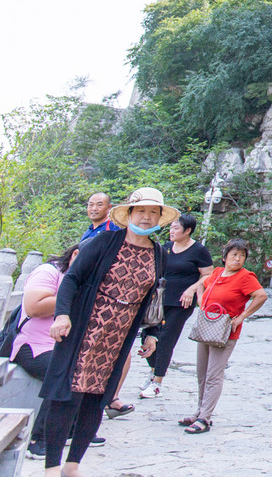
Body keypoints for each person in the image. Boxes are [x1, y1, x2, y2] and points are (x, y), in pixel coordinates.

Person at [43, 188, 172, 477]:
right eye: (141, 211)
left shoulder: (159, 254)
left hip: (117, 338)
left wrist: (151, 333)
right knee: (68, 395)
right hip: (85, 332)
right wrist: (62, 314)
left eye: (153, 212)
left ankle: (73, 465)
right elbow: (71, 279)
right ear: (129, 214)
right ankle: (51, 466)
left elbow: (154, 297)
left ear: (160, 218)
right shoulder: (104, 242)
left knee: (97, 398)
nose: (147, 216)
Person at [12, 245, 107, 461]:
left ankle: (73, 430)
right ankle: (39, 439)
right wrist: (77, 295)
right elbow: (34, 307)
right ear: (76, 255)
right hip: (33, 345)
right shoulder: (49, 272)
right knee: (64, 373)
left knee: (90, 370)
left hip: (66, 345)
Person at [179, 237, 267, 434]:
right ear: (225, 256)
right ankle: (200, 410)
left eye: (242, 256)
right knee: (202, 372)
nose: (238, 259)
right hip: (207, 326)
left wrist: (242, 316)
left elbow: (261, 295)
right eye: (234, 255)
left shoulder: (245, 277)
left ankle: (205, 417)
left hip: (226, 330)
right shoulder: (218, 273)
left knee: (214, 374)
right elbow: (203, 283)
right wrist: (200, 300)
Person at [137, 213, 212, 399]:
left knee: (166, 339)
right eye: (171, 227)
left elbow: (208, 275)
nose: (171, 231)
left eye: (176, 228)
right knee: (148, 336)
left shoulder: (198, 250)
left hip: (181, 303)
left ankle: (157, 382)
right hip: (159, 300)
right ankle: (155, 369)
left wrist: (191, 290)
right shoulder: (166, 248)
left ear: (187, 230)